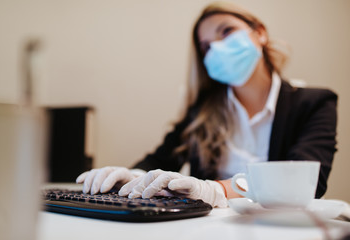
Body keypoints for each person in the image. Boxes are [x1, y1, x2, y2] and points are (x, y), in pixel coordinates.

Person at [76, 1, 337, 208]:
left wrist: (216, 189)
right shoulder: (203, 110)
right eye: (206, 46)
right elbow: (162, 159)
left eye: (227, 31)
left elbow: (305, 181)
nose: (218, 48)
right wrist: (131, 176)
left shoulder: (314, 102)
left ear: (259, 33)